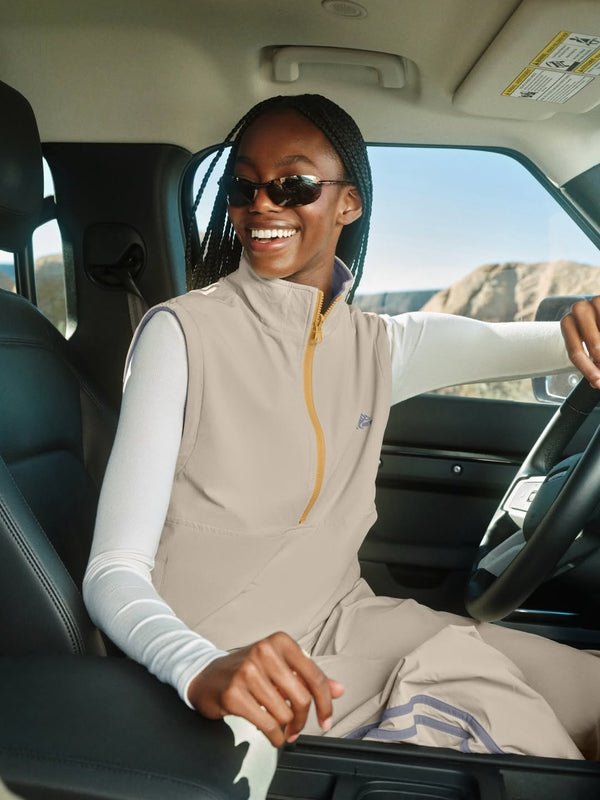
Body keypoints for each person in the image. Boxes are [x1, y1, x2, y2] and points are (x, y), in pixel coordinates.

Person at [84, 94, 600, 760]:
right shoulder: (181, 334)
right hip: (235, 654)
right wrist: (196, 665)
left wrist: (584, 324)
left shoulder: (379, 344)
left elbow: (533, 340)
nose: (262, 205)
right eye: (243, 187)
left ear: (348, 203)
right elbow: (113, 571)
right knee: (527, 744)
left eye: (292, 184)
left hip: (351, 620)